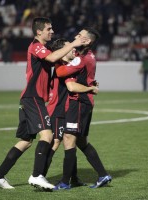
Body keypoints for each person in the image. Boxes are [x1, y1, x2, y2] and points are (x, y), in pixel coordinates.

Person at [0, 17, 88, 191]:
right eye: (49, 29)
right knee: (47, 136)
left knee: (25, 141)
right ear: (39, 31)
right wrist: (74, 43)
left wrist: (80, 46)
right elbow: (51, 58)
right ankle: (36, 176)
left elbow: (58, 53)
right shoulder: (36, 46)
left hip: (29, 99)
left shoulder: (44, 48)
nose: (52, 31)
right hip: (33, 97)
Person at [53, 27, 112, 190]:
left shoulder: (82, 58)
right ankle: (102, 174)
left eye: (79, 35)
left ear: (87, 41)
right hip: (85, 102)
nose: (75, 37)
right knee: (81, 141)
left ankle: (65, 182)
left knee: (68, 139)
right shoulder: (88, 56)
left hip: (78, 102)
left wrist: (56, 60)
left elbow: (61, 72)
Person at [44, 39, 99, 186]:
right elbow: (71, 87)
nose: (73, 49)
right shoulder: (61, 66)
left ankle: (73, 178)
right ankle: (39, 176)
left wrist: (89, 83)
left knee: (70, 141)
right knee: (56, 142)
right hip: (57, 109)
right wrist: (90, 88)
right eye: (69, 47)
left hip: (65, 109)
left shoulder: (67, 65)